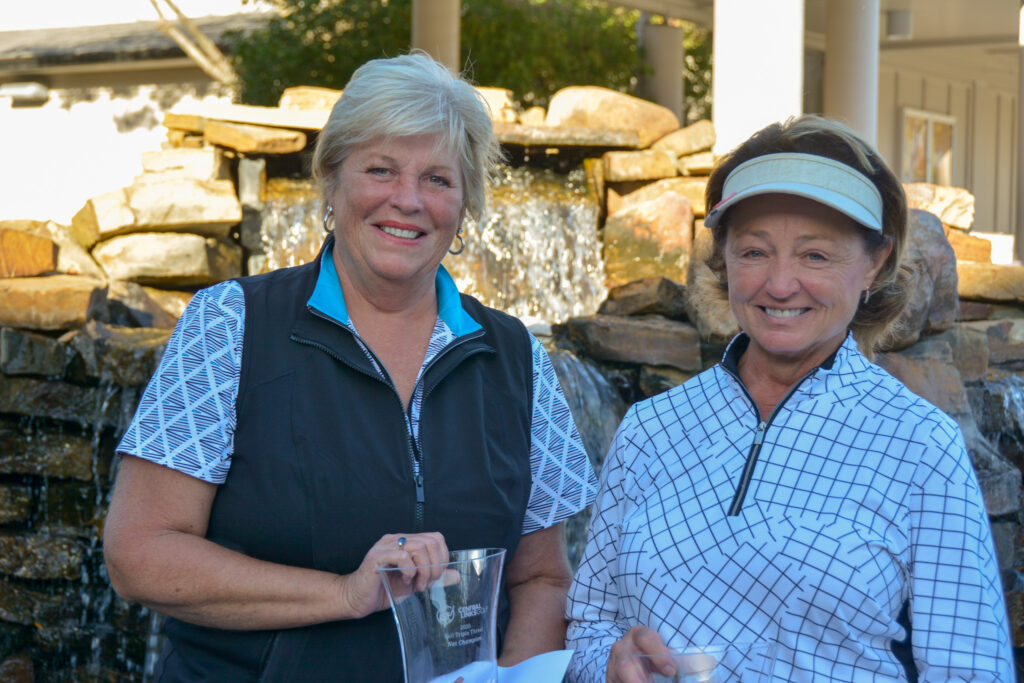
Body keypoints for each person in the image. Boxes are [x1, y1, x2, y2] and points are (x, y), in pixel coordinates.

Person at [103, 51, 597, 681]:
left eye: (439, 180)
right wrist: (343, 593)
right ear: (331, 182)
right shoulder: (231, 324)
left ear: (466, 203)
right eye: (381, 170)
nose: (408, 200)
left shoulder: (517, 356)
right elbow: (140, 553)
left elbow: (544, 577)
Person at [565, 114, 1014, 682]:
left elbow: (971, 671)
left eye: (815, 256)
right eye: (754, 252)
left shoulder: (920, 445)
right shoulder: (651, 427)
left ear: (874, 262)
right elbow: (588, 624)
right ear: (723, 257)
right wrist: (609, 663)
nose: (779, 284)